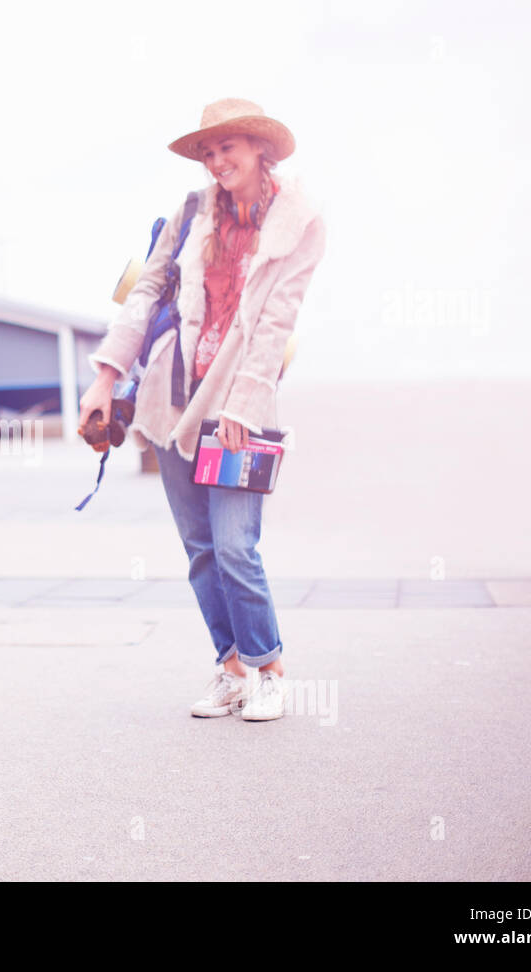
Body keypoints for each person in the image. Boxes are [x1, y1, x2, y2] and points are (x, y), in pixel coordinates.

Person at [80, 99, 326, 722]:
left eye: (228, 148)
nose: (218, 162)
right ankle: (231, 669)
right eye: (208, 152)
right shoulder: (189, 214)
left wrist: (244, 404)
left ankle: (269, 668)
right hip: (170, 399)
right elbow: (142, 298)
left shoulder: (299, 221)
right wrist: (104, 379)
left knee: (236, 544)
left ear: (260, 149)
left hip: (239, 404)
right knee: (200, 547)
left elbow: (277, 321)